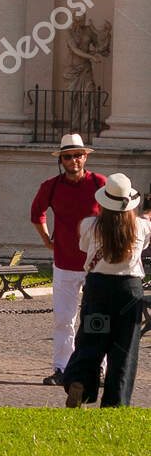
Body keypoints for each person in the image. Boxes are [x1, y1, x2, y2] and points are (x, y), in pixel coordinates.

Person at [63, 173, 151, 409]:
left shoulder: (90, 225)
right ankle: (116, 402)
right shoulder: (142, 226)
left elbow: (83, 247)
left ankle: (80, 381)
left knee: (91, 340)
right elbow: (144, 243)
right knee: (124, 349)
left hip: (99, 288)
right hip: (129, 291)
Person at [31, 133, 106, 385]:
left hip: (97, 263)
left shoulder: (100, 184)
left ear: (85, 156)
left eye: (78, 155)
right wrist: (46, 240)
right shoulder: (50, 186)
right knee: (64, 319)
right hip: (64, 262)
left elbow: (115, 216)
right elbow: (36, 213)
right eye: (68, 156)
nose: (73, 160)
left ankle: (98, 368)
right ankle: (62, 369)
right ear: (61, 160)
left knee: (96, 317)